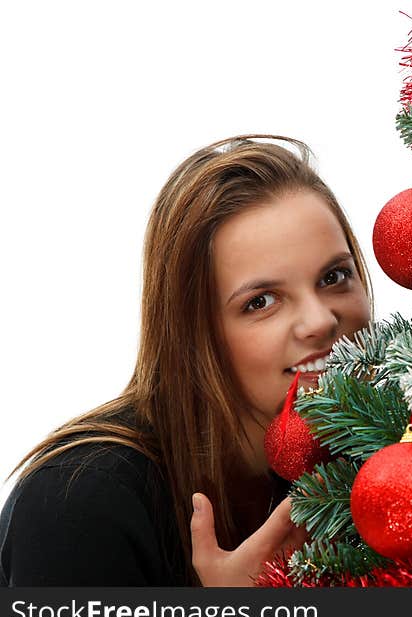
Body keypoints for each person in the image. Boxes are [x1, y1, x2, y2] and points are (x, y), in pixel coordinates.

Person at [0, 135, 374, 586]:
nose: (320, 320)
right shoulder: (76, 502)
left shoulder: (384, 452)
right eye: (262, 301)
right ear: (193, 333)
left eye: (334, 276)